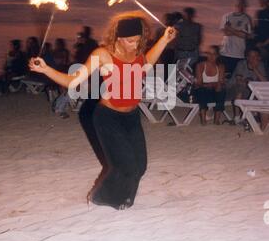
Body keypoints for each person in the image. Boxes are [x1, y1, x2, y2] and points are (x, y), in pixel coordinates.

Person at [29, 12, 177, 210]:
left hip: (132, 116)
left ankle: (125, 198)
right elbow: (72, 81)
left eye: (139, 40)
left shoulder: (137, 52)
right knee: (124, 165)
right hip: (108, 117)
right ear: (119, 37)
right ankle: (99, 197)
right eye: (131, 41)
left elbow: (147, 62)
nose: (135, 44)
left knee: (140, 167)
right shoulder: (103, 55)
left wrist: (164, 40)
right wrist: (46, 70)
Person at [227, 48, 268, 129]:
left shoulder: (261, 65)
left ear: (259, 57)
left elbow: (265, 83)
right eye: (250, 56)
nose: (252, 59)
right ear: (247, 57)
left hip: (249, 89)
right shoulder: (241, 64)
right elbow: (238, 81)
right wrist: (248, 82)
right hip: (232, 89)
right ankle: (237, 117)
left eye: (255, 56)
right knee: (240, 88)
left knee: (262, 91)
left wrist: (255, 69)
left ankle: (254, 114)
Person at [219, 0, 252, 77]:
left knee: (237, 76)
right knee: (224, 76)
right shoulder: (226, 17)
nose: (240, 6)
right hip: (225, 52)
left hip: (239, 53)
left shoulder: (247, 18)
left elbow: (245, 35)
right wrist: (239, 32)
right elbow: (225, 32)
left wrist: (230, 29)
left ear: (245, 6)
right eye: (238, 4)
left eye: (242, 5)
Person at [194, 45, 226, 125]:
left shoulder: (221, 66)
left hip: (215, 91)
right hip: (203, 91)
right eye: (209, 54)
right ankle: (203, 119)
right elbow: (199, 82)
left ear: (217, 56)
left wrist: (214, 85)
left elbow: (221, 81)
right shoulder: (200, 65)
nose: (211, 56)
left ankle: (217, 119)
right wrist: (210, 85)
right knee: (202, 90)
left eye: (214, 54)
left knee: (221, 90)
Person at [254, 0, 269, 73]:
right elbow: (256, 29)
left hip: (265, 45)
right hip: (260, 44)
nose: (259, 1)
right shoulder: (259, 13)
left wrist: (263, 44)